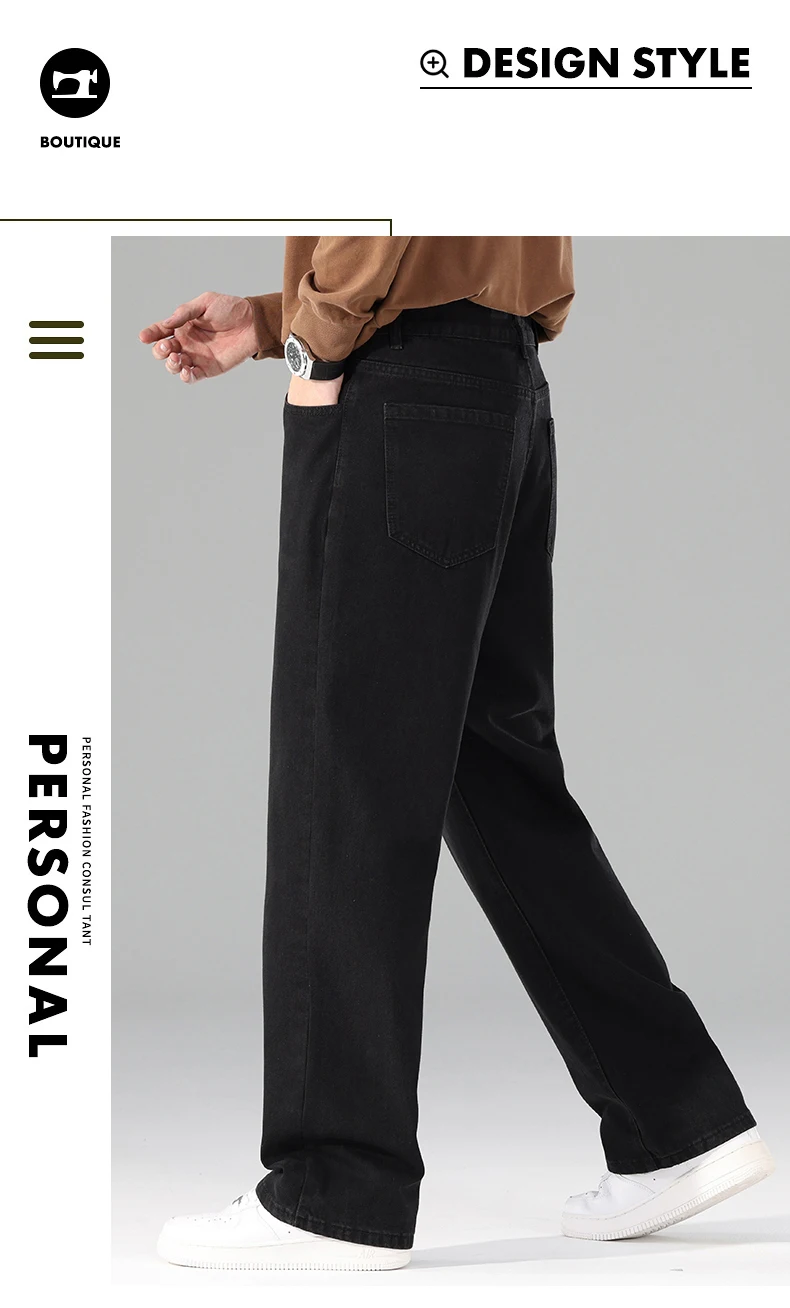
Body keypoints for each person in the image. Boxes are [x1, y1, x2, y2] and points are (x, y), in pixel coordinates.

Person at [139, 237, 773, 1272]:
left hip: (399, 388)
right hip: (501, 384)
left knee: (343, 763)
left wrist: (314, 340)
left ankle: (334, 1187)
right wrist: (276, 313)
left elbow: (389, 206)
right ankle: (676, 1116)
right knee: (493, 769)